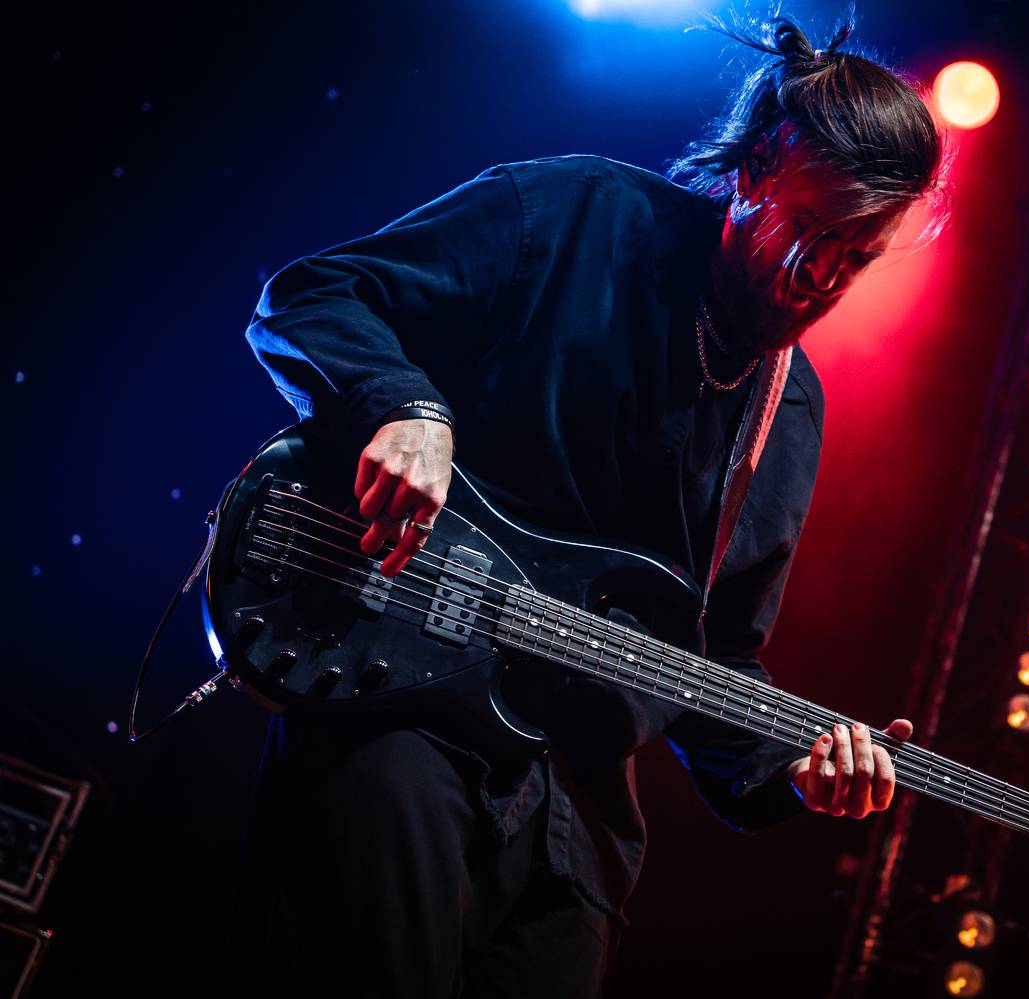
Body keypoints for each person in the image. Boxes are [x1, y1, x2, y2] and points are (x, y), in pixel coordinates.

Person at [227, 11, 949, 998]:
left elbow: (709, 657)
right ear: (757, 170)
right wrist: (403, 410)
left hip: (574, 816)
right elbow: (313, 296)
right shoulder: (577, 217)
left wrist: (794, 764)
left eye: (857, 257)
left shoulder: (791, 412)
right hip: (402, 718)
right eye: (816, 232)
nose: (822, 276)